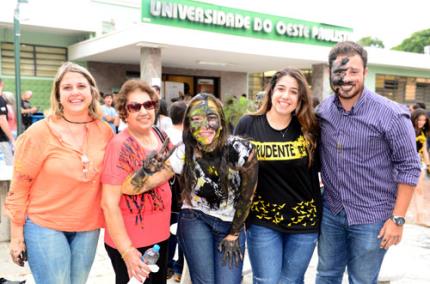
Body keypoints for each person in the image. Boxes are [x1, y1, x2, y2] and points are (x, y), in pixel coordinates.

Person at [121, 93, 258, 284]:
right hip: (196, 219)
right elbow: (130, 189)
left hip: (230, 224)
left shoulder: (241, 150)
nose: (204, 126)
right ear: (188, 125)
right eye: (196, 119)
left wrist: (234, 233)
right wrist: (146, 170)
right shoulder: (183, 152)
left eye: (211, 118)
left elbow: (247, 196)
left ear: (221, 120)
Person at [316, 41, 421, 284]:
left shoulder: (391, 114)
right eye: (339, 72)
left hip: (373, 217)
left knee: (362, 281)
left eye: (353, 71)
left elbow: (409, 167)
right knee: (326, 276)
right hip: (332, 211)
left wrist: (397, 219)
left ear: (365, 72)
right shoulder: (323, 112)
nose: (346, 78)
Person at [4, 62, 113, 284]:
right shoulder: (38, 133)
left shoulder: (105, 132)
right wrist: (16, 237)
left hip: (88, 228)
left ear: (91, 91)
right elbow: (19, 186)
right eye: (67, 87)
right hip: (44, 225)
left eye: (81, 86)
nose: (75, 92)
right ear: (58, 94)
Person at [234, 68, 321, 284]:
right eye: (281, 89)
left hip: (304, 221)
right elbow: (234, 173)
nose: (286, 96)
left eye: (293, 92)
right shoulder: (248, 124)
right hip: (263, 220)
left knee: (291, 281)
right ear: (271, 91)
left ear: (300, 98)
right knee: (267, 280)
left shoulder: (309, 128)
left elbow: (320, 171)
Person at [101, 79, 172, 284]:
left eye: (148, 105)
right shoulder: (119, 146)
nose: (144, 111)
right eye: (135, 106)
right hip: (131, 242)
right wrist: (127, 251)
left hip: (160, 238)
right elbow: (109, 203)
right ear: (125, 112)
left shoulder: (161, 136)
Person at [165, 101, 187, 282]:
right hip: (182, 192)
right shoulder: (188, 138)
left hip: (166, 189)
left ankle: (166, 266)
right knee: (182, 231)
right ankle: (179, 269)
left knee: (168, 230)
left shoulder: (162, 134)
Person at [0, 79, 15, 165]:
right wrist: (12, 139)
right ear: (2, 84)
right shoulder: (1, 100)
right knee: (8, 168)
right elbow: (2, 121)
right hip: (2, 140)